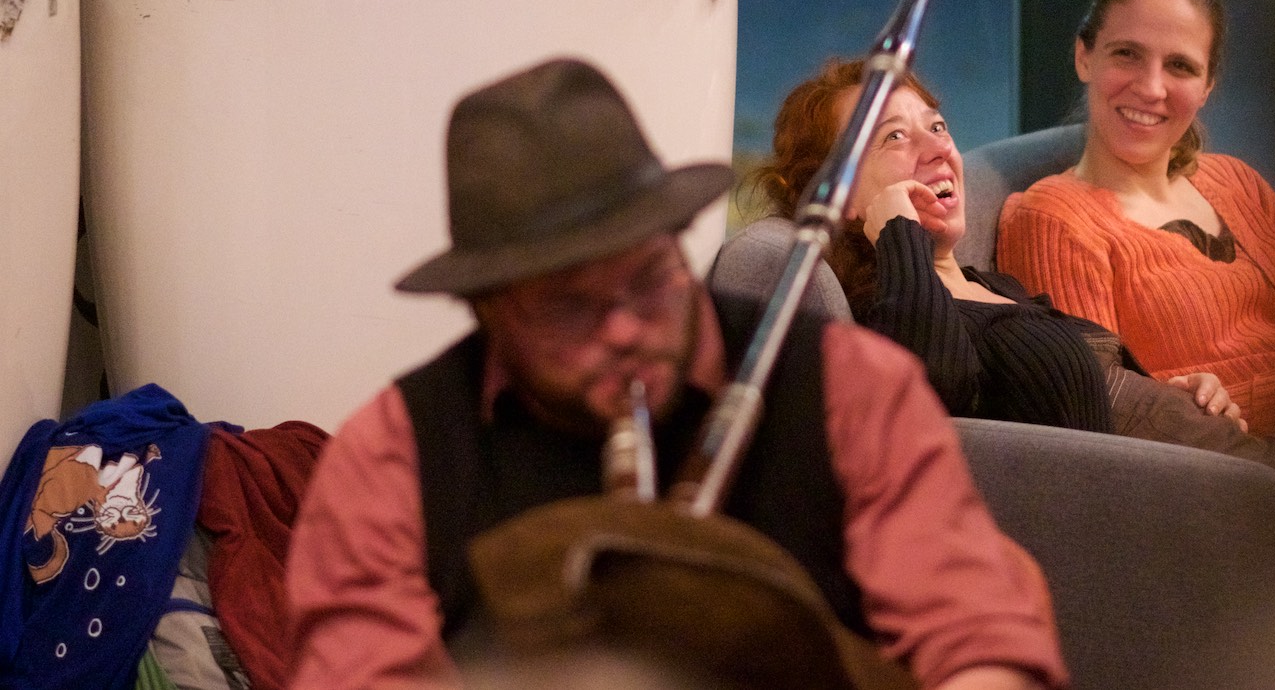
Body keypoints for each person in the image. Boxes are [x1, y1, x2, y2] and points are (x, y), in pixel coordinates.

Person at [285, 58, 1069, 690]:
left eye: (648, 280)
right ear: (486, 309)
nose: (624, 329)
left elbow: (978, 633)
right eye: (568, 308)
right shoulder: (394, 454)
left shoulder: (848, 388)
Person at [751, 57, 1275, 477]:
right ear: (840, 195)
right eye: (893, 136)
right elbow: (929, 405)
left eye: (937, 127)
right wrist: (899, 233)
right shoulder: (889, 314)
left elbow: (1099, 394)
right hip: (1218, 503)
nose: (938, 148)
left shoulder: (989, 286)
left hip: (1241, 461)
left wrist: (1170, 395)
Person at [995, 0, 1275, 440]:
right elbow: (1095, 414)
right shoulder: (1053, 219)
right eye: (1127, 54)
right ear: (1084, 57)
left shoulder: (1238, 182)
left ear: (1207, 87)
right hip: (1240, 467)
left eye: (1179, 66)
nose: (1151, 88)